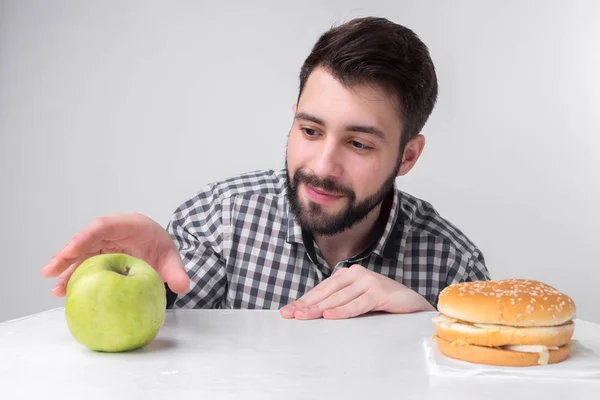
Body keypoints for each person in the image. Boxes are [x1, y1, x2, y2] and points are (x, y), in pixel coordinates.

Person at [41, 16, 490, 320]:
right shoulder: (220, 219)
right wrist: (146, 290)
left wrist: (427, 329)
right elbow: (160, 355)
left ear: (408, 156)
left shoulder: (454, 267)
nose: (321, 166)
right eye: (311, 131)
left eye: (358, 143)